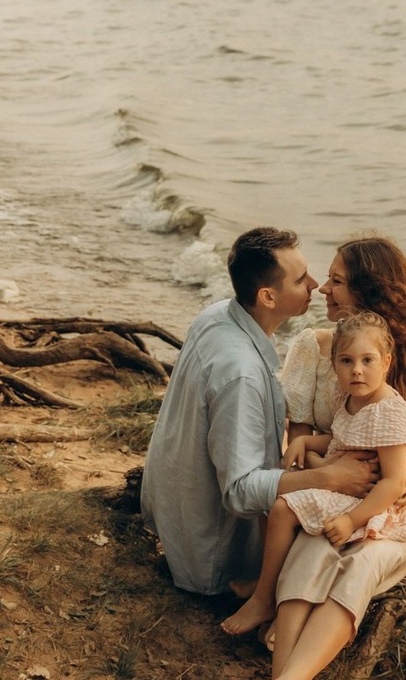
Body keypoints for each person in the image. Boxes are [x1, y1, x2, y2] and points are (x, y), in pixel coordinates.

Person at [268, 233, 406, 680]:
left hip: (395, 508)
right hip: (327, 491)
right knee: (310, 556)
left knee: (360, 565)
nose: (323, 289)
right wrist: (332, 474)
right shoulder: (312, 348)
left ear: (369, 291)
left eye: (337, 281)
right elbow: (301, 441)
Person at [140, 226, 377, 597]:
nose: (315, 285)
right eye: (300, 280)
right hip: (214, 552)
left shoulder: (218, 314)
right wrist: (330, 477)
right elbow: (239, 491)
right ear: (267, 296)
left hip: (177, 509)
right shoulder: (241, 374)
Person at [220, 311, 406, 638]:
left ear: (386, 363)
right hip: (348, 486)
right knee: (273, 498)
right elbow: (340, 439)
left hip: (369, 500)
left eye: (367, 360)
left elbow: (392, 482)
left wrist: (351, 521)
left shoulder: (389, 411)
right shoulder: (350, 399)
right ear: (334, 365)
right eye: (346, 361)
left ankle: (264, 599)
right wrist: (304, 440)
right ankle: (266, 584)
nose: (356, 370)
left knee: (282, 508)